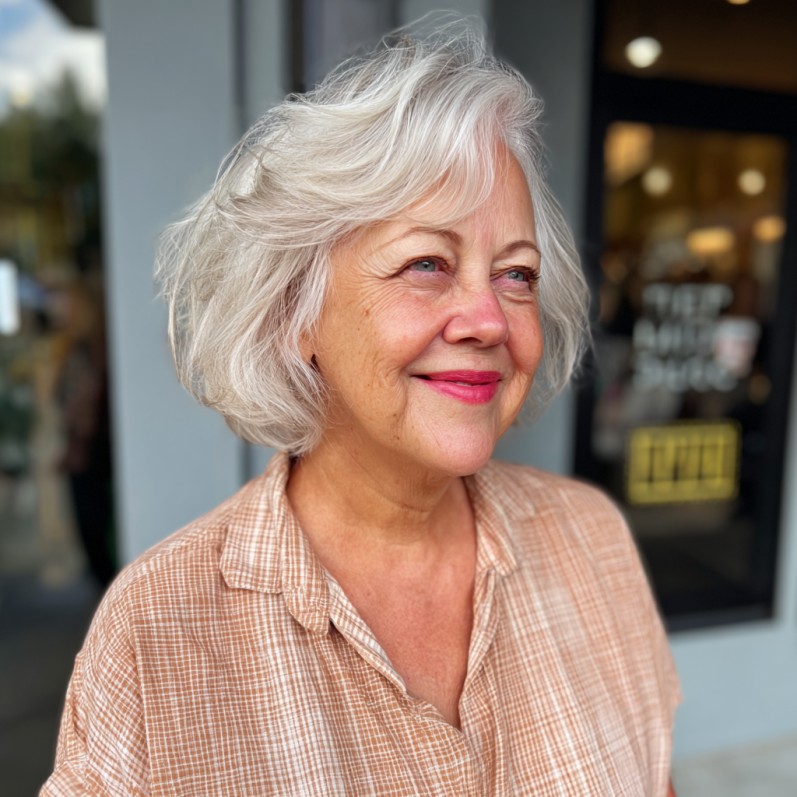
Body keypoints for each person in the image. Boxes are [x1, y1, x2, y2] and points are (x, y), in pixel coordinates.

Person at [41, 20, 679, 796]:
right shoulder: (158, 632)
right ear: (296, 313)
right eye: (426, 263)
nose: (488, 318)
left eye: (515, 275)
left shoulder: (591, 540)